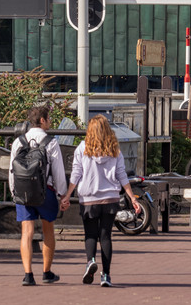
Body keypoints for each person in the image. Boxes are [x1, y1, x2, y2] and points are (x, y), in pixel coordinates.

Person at [59, 116, 142, 288]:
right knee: (105, 237)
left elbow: (76, 173)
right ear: (107, 129)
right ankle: (106, 275)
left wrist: (67, 195)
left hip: (88, 198)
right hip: (110, 198)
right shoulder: (114, 149)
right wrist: (132, 197)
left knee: (90, 234)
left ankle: (90, 261)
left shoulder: (82, 148)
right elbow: (122, 175)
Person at [11, 105, 67, 285]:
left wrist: (14, 192)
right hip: (46, 191)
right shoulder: (51, 142)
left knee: (26, 232)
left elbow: (12, 171)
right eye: (49, 118)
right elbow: (58, 172)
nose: (50, 121)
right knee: (48, 230)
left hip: (23, 192)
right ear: (42, 120)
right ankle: (46, 271)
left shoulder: (18, 142)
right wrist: (62, 195)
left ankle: (28, 274)